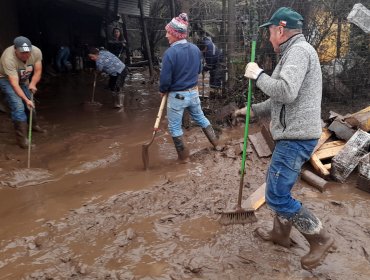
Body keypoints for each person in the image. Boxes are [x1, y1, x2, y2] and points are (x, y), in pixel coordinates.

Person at [236, 7, 335, 269]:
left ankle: (320, 237)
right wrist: (254, 110)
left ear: (280, 30)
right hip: (294, 134)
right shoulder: (295, 52)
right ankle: (280, 234)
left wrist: (258, 75)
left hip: (296, 137)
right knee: (278, 185)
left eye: (270, 31)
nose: (269, 37)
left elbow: (286, 91)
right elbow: (281, 98)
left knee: (277, 195)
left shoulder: (299, 52)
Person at [160, 13, 219, 163]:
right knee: (201, 118)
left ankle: (184, 159)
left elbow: (165, 80)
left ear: (175, 34)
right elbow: (199, 70)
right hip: (193, 93)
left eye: (168, 32)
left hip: (177, 96)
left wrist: (163, 90)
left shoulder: (169, 53)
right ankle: (216, 144)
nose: (166, 35)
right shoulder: (195, 49)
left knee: (174, 127)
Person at [0, 36, 45, 149]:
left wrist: (33, 83)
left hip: (23, 78)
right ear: (15, 49)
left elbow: (38, 70)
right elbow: (14, 84)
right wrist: (25, 99)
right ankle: (22, 140)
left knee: (31, 104)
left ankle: (33, 125)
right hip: (7, 79)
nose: (26, 55)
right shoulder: (8, 58)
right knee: (19, 106)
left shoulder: (36, 51)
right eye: (22, 53)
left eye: (28, 52)